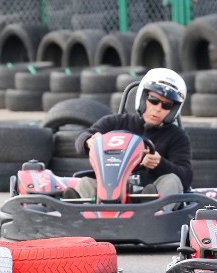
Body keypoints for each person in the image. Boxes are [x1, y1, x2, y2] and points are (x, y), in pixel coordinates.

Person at [65, 67, 192, 200]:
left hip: (150, 196)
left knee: (172, 180)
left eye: (166, 105)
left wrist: (160, 164)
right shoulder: (115, 123)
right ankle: (80, 214)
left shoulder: (177, 136)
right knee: (86, 182)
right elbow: (81, 139)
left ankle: (153, 210)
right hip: (112, 189)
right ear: (143, 98)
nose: (157, 109)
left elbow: (186, 177)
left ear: (173, 110)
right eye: (153, 100)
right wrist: (89, 141)